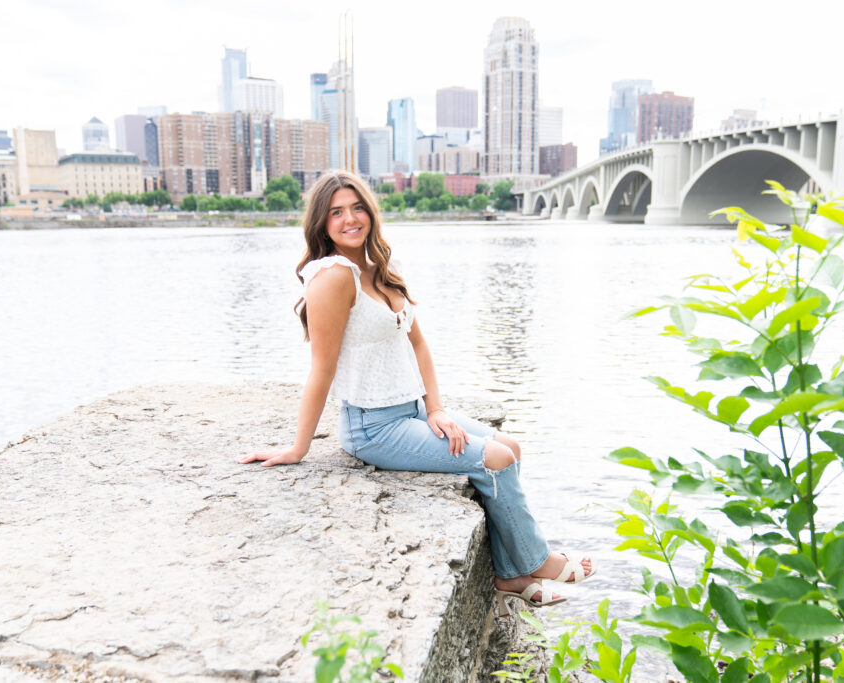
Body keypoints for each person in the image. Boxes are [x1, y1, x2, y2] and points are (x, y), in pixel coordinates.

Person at [239, 170, 594, 615]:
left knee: (511, 447)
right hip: (373, 428)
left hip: (410, 412)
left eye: (358, 207)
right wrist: (298, 448)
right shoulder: (332, 277)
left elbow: (418, 342)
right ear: (321, 223)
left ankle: (510, 573)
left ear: (370, 211)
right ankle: (536, 561)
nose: (350, 219)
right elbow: (322, 370)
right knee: (495, 459)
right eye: (336, 212)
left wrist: (436, 409)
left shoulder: (380, 270)